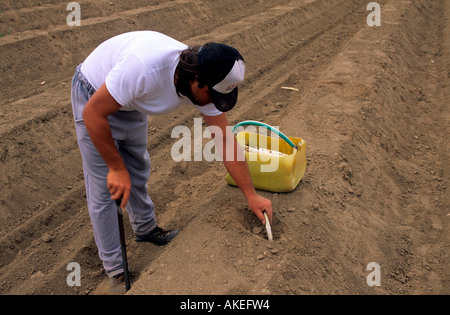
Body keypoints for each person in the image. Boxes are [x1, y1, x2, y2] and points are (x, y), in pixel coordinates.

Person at [70, 31, 273, 293]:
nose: (213, 103)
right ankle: (116, 270)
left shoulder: (205, 81)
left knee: (138, 168)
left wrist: (251, 195)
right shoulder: (145, 69)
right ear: (196, 80)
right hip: (94, 93)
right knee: (105, 189)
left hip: (130, 101)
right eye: (212, 96)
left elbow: (224, 140)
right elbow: (93, 113)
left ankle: (145, 229)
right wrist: (115, 168)